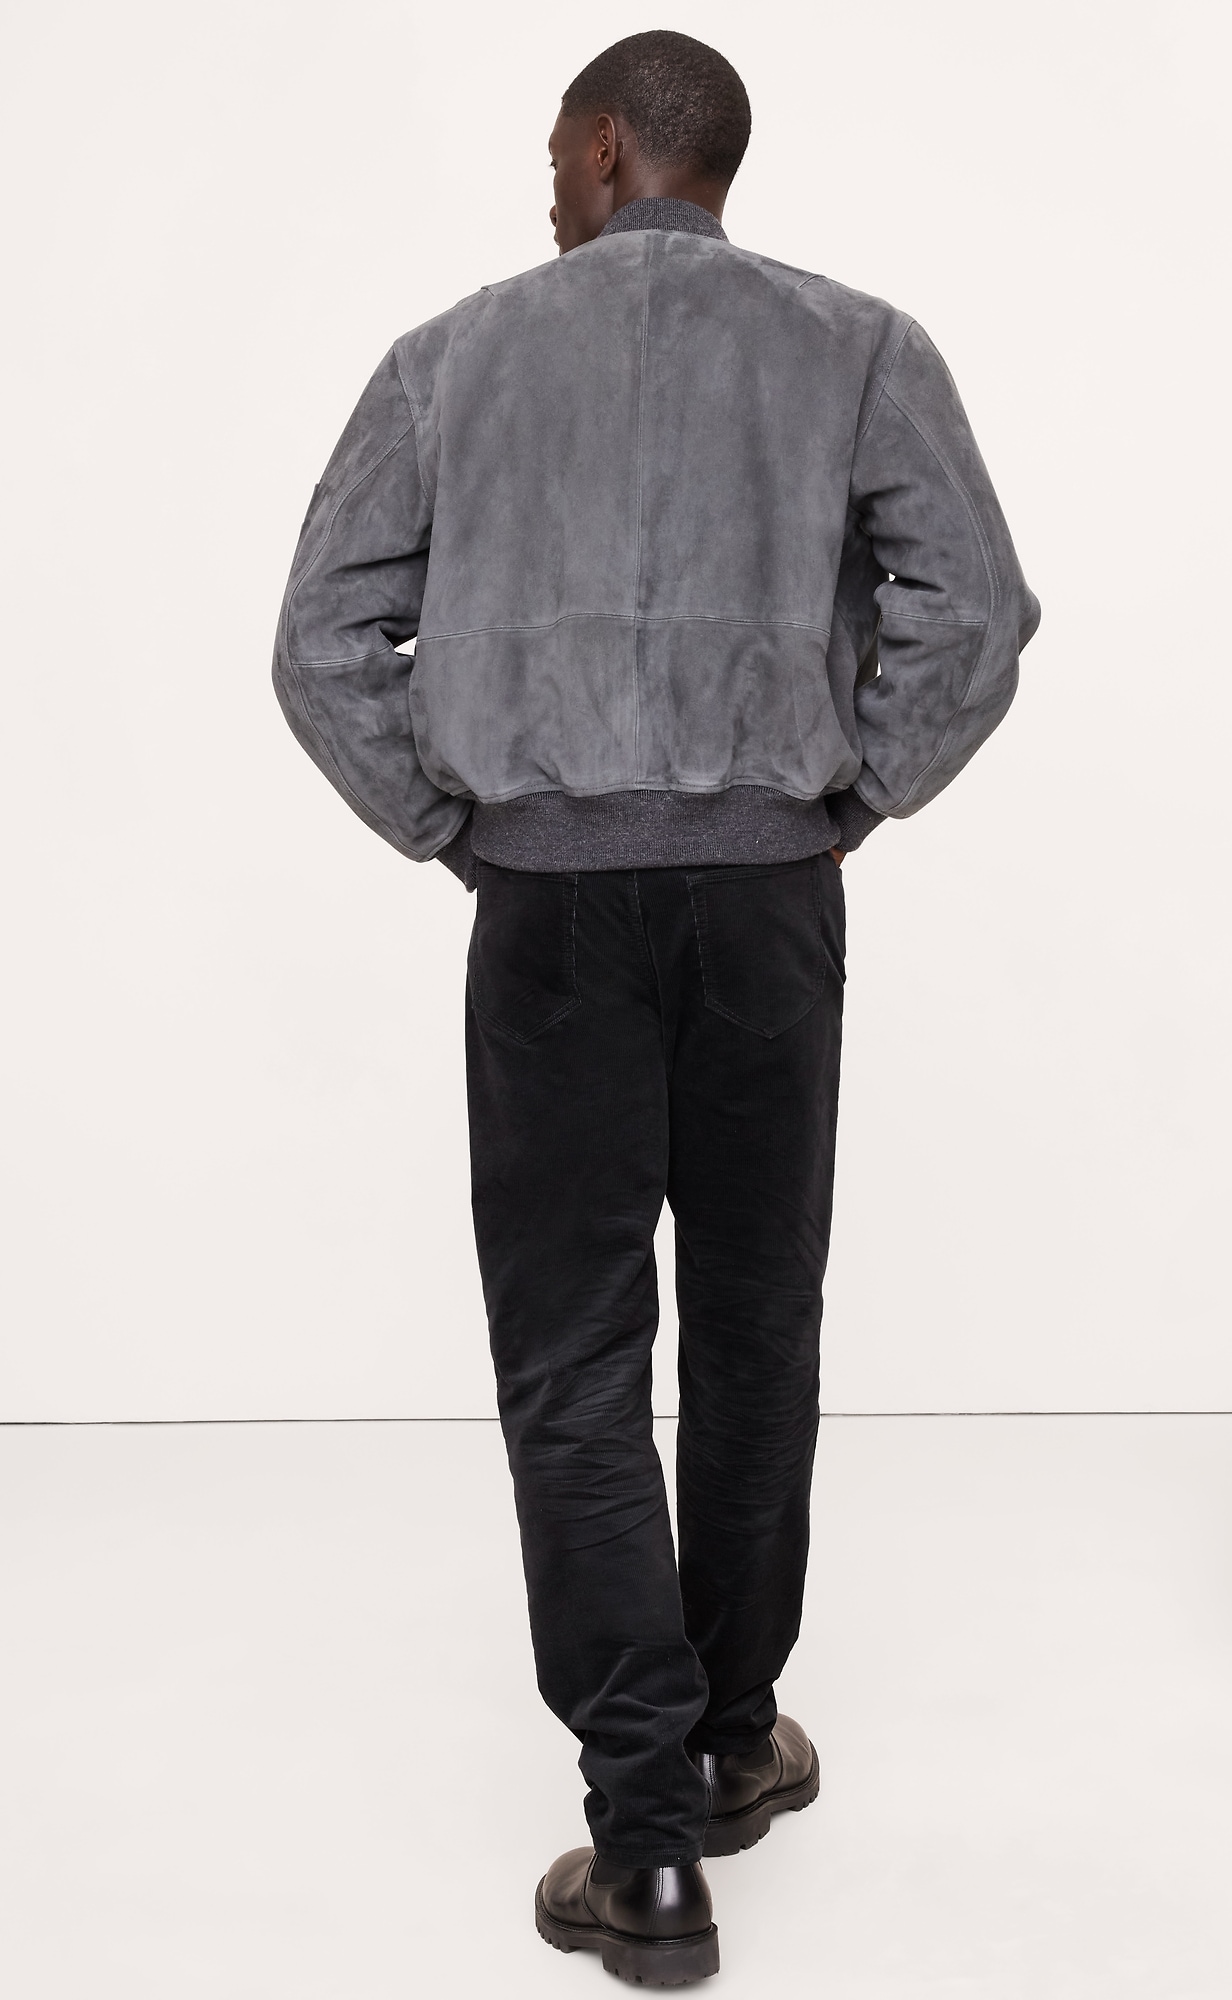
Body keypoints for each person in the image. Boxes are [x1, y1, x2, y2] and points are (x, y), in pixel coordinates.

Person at [273, 28, 1038, 1986]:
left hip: (550, 916)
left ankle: (646, 1848)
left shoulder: (452, 357)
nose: (547, 186)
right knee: (759, 1323)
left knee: (575, 1357)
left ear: (612, 148)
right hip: (770, 903)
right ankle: (728, 1738)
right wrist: (838, 799)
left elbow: (320, 638)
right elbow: (977, 609)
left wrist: (460, 825)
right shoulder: (857, 344)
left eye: (558, 151)